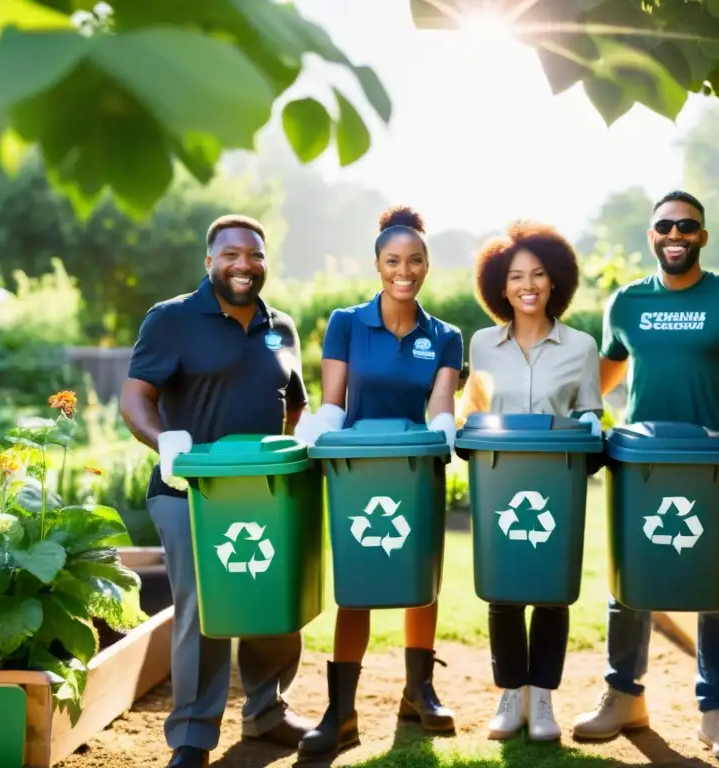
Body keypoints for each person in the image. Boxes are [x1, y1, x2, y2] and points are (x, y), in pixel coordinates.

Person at [571, 191, 719, 760]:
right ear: (652, 235)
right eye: (665, 225)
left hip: (708, 459)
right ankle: (623, 697)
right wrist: (589, 420)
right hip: (642, 460)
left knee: (710, 589)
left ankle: (717, 712)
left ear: (703, 237)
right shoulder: (627, 302)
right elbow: (605, 372)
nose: (676, 234)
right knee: (629, 583)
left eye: (688, 226)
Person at [119, 215, 313, 768]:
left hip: (265, 493)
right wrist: (166, 444)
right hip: (190, 492)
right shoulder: (172, 319)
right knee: (203, 607)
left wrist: (288, 449)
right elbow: (135, 400)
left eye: (254, 255)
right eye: (231, 255)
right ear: (210, 262)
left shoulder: (282, 328)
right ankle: (193, 736)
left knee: (271, 598)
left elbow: (294, 400)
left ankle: (267, 711)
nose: (243, 265)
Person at [293, 206, 462, 760]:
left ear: (427, 265)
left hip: (417, 469)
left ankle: (418, 691)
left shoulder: (445, 336)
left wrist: (443, 430)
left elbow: (441, 404)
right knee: (360, 581)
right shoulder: (347, 322)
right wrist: (320, 429)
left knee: (421, 578)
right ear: (377, 264)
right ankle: (340, 712)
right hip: (359, 470)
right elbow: (334, 400)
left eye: (415, 261)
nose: (404, 271)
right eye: (393, 261)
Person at [459, 222, 602, 742]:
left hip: (555, 479)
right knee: (502, 591)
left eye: (538, 274)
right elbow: (473, 412)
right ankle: (509, 696)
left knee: (551, 592)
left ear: (554, 281)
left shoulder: (580, 345)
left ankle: (542, 701)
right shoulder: (482, 344)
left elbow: (589, 411)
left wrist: (591, 428)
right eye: (516, 275)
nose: (528, 285)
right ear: (500, 285)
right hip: (499, 476)